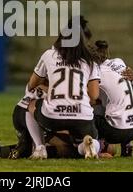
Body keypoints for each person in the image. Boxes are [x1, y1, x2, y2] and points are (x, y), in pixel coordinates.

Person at [27, 18, 101, 159]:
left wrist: (49, 88)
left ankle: (40, 147)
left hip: (53, 117)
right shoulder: (90, 60)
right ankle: (88, 146)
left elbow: (32, 84)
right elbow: (94, 96)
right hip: (81, 117)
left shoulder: (49, 55)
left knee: (30, 104)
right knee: (93, 139)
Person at [93, 40, 133, 157]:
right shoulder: (119, 62)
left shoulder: (96, 71)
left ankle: (100, 147)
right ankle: (127, 145)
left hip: (117, 131)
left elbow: (91, 97)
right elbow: (126, 83)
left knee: (88, 113)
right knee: (112, 102)